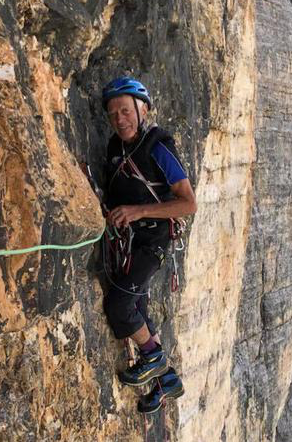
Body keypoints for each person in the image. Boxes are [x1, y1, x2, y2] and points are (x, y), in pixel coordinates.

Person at [100, 77, 197, 414]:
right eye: (113, 115)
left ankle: (152, 357)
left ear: (142, 110)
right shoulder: (116, 149)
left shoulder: (159, 148)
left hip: (152, 241)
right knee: (136, 306)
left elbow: (188, 203)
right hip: (130, 239)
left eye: (125, 111)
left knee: (120, 305)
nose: (119, 119)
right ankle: (166, 381)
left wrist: (138, 211)